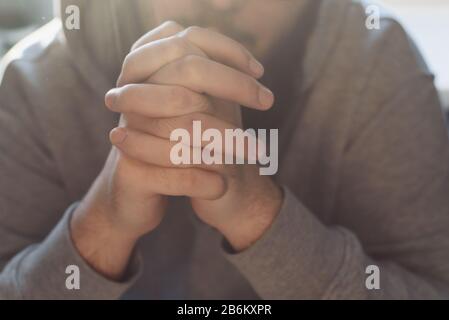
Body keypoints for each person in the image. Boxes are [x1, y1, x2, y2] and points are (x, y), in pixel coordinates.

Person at [0, 0, 449, 300]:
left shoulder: (375, 64)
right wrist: (104, 222)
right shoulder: (31, 83)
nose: (222, 2)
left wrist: (256, 213)